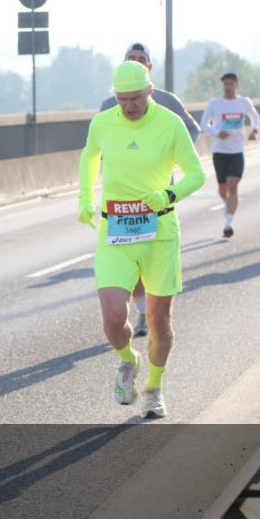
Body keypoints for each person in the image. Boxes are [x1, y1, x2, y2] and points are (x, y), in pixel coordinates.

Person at [79, 61, 206, 418]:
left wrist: (168, 195)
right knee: (112, 314)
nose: (129, 107)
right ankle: (127, 359)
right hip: (115, 230)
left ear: (149, 91)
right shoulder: (103, 123)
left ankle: (154, 386)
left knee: (159, 320)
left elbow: (196, 175)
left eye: (135, 98)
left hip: (159, 232)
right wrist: (85, 198)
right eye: (121, 100)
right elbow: (89, 157)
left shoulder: (170, 123)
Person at [100, 42, 201, 338]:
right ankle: (142, 313)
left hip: (158, 194)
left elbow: (192, 130)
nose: (137, 63)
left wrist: (174, 155)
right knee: (129, 255)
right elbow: (99, 141)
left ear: (150, 68)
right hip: (121, 200)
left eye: (142, 60)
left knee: (150, 253)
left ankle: (149, 313)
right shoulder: (109, 105)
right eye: (131, 59)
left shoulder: (167, 101)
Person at [199, 73, 260, 238]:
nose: (228, 86)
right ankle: (227, 204)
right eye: (225, 83)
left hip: (237, 150)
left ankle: (229, 223)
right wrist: (217, 132)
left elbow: (255, 117)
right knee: (222, 188)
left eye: (231, 83)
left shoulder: (243, 102)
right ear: (222, 86)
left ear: (236, 85)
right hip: (219, 151)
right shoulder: (215, 103)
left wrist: (255, 130)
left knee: (233, 185)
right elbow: (203, 124)